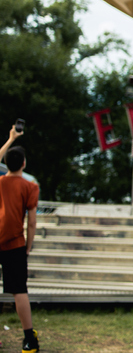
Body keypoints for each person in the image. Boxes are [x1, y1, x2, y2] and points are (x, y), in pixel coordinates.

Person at [0, 126, 39, 353]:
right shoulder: (29, 186)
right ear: (23, 164)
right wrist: (28, 246)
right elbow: (32, 222)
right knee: (19, 291)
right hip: (15, 243)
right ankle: (28, 340)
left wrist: (9, 139)